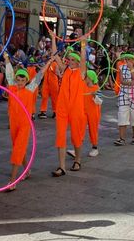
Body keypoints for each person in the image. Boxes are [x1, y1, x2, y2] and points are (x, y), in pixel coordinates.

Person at [3, 52, 48, 189]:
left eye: (23, 80)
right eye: (19, 80)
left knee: (17, 150)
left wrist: (49, 63)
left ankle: (12, 181)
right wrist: (6, 59)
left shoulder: (29, 89)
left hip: (24, 124)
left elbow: (39, 76)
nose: (20, 83)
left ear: (27, 81)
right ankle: (27, 170)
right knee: (18, 148)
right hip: (13, 123)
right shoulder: (11, 87)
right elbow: (9, 73)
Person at [50, 36, 87, 176]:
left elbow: (83, 59)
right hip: (62, 107)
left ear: (77, 62)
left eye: (73, 60)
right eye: (69, 59)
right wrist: (53, 38)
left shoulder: (81, 73)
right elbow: (54, 55)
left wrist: (83, 43)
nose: (69, 61)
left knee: (76, 135)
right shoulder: (64, 70)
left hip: (76, 108)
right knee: (60, 135)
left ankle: (77, 160)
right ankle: (61, 167)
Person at [114, 52, 134, 146]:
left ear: (133, 60)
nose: (126, 61)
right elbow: (121, 81)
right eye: (125, 59)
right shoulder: (122, 67)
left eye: (128, 59)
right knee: (122, 114)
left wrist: (131, 69)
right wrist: (128, 83)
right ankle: (121, 138)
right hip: (124, 94)